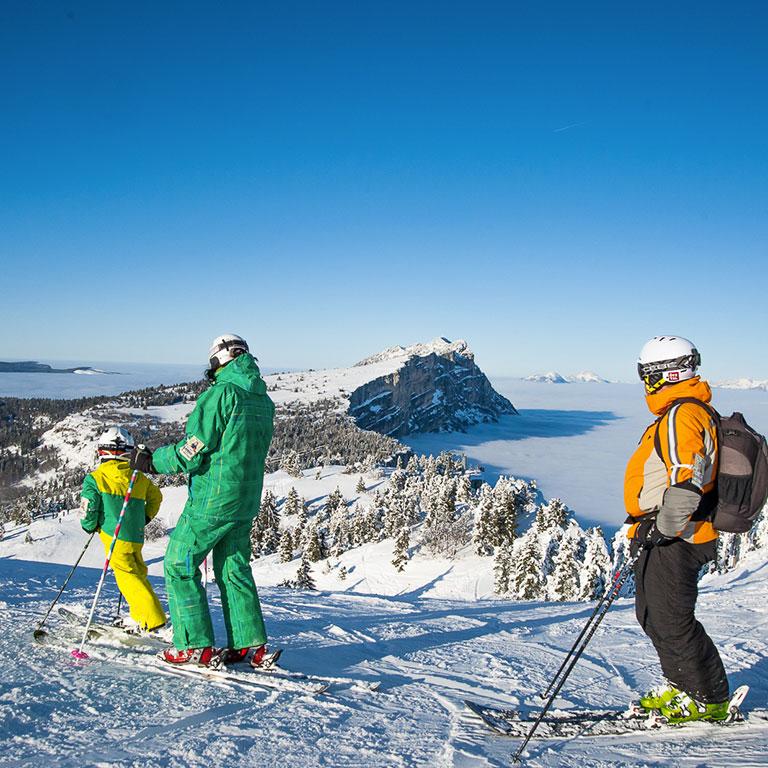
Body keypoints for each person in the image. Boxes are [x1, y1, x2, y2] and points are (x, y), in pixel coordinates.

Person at [131, 333, 275, 666]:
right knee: (233, 568)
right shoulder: (262, 400)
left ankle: (193, 644)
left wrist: (153, 461)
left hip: (214, 499)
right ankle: (249, 644)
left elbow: (193, 450)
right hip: (246, 498)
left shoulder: (222, 394)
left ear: (218, 361)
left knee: (178, 563)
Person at [624, 335, 729, 722]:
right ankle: (683, 686)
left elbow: (687, 480)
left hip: (678, 536)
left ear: (662, 375)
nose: (645, 385)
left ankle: (707, 699)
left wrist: (665, 529)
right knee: (653, 615)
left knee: (670, 618)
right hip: (667, 532)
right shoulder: (683, 412)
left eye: (646, 376)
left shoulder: (682, 414)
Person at [80, 427, 166, 631]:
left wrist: (90, 525)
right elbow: (156, 497)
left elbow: (89, 506)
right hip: (135, 536)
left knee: (127, 576)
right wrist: (144, 518)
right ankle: (139, 615)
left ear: (102, 451)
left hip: (113, 535)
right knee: (137, 573)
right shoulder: (138, 477)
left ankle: (153, 619)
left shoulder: (96, 478)